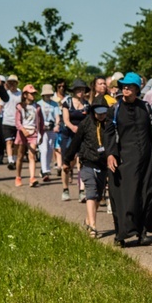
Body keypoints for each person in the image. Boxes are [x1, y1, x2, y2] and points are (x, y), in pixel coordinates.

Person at [104, 72, 152, 247]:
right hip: (124, 160)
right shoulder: (114, 110)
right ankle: (121, 234)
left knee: (147, 194)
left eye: (129, 86)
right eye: (123, 86)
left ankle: (142, 232)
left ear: (137, 89)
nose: (125, 89)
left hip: (146, 160)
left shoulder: (145, 107)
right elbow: (108, 134)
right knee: (126, 196)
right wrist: (110, 154)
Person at [64, 95, 109, 238]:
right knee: (91, 192)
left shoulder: (109, 124)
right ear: (93, 110)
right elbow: (75, 143)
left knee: (98, 195)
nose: (101, 115)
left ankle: (89, 219)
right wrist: (67, 160)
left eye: (104, 112)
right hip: (87, 162)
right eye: (98, 112)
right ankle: (93, 227)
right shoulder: (85, 123)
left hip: (103, 165)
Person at [60, 78, 91, 202]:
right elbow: (66, 120)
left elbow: (88, 120)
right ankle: (65, 189)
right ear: (74, 91)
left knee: (81, 162)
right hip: (68, 135)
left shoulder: (87, 104)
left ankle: (82, 191)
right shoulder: (67, 102)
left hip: (81, 136)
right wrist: (74, 128)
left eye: (82, 89)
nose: (80, 92)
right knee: (67, 165)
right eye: (78, 89)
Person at [14, 84, 44, 187]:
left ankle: (32, 178)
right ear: (25, 95)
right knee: (20, 155)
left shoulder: (37, 107)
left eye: (34, 93)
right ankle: (18, 177)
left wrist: (41, 135)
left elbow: (41, 122)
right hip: (22, 133)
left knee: (32, 155)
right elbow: (17, 122)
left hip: (33, 133)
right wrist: (23, 130)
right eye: (31, 94)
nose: (33, 95)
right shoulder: (20, 107)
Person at [38, 84, 61, 182]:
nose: (48, 96)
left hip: (52, 128)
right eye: (46, 94)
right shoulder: (38, 104)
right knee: (44, 149)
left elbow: (57, 116)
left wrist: (57, 125)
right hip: (42, 128)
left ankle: (46, 167)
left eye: (49, 94)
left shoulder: (54, 104)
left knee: (50, 149)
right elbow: (37, 117)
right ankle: (45, 171)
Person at [2, 75, 22, 170]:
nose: (12, 84)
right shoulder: (5, 94)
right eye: (10, 82)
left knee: (16, 143)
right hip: (7, 121)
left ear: (17, 83)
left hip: (18, 122)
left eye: (14, 82)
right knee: (9, 141)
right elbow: (1, 106)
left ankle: (14, 159)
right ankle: (10, 161)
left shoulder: (20, 94)